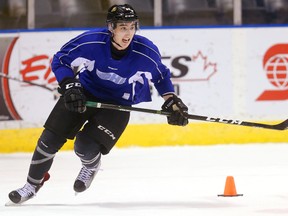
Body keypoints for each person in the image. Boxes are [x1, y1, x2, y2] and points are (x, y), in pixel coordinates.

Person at [8, 4, 189, 204]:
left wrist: (172, 100)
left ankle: (91, 165)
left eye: (132, 27)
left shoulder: (145, 51)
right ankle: (31, 186)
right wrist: (70, 85)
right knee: (48, 141)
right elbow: (61, 60)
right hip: (83, 93)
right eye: (122, 28)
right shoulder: (91, 41)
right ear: (111, 28)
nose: (128, 34)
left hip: (118, 103)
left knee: (84, 145)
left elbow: (161, 75)